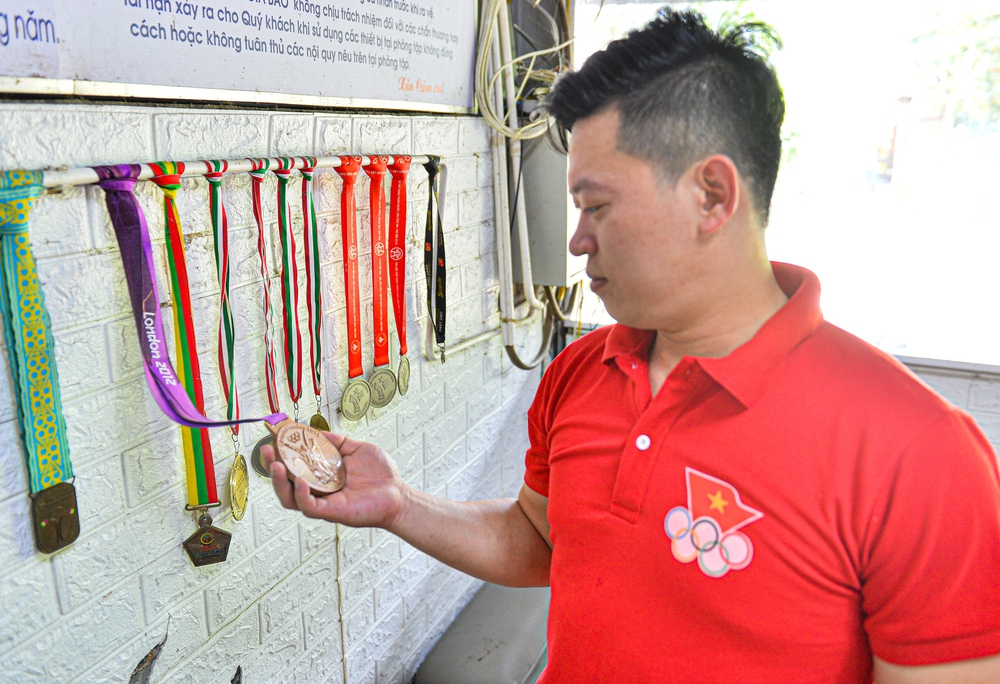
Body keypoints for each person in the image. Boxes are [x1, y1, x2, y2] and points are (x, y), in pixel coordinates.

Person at [263, 9, 1000, 683]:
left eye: (596, 205)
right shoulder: (583, 372)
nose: (577, 238)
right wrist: (399, 504)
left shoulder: (920, 451)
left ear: (712, 195)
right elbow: (542, 541)